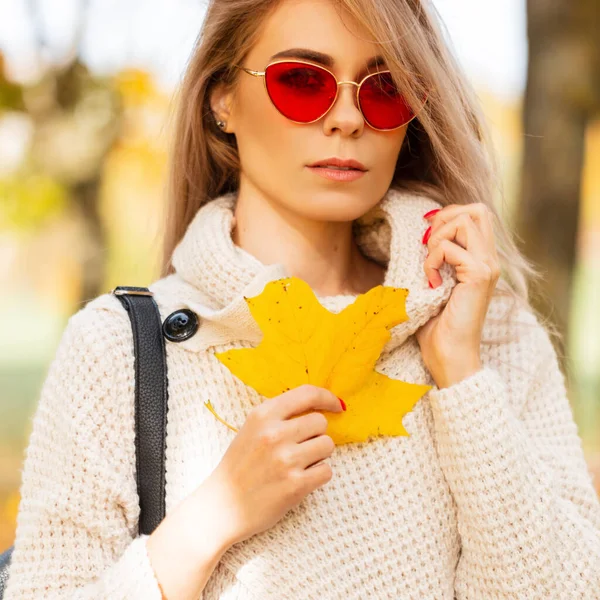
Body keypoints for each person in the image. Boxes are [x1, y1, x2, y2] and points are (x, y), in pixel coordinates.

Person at [5, 0, 600, 598]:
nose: (346, 118)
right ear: (223, 100)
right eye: (302, 80)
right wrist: (216, 512)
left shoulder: (490, 333)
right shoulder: (118, 350)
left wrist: (463, 381)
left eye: (385, 88)